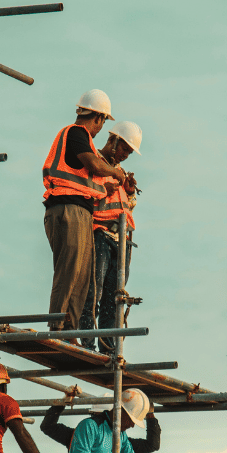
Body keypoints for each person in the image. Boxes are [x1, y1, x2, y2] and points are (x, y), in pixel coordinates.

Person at [43, 90, 128, 342]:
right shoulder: (76, 133)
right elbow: (94, 165)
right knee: (69, 271)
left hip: (79, 211)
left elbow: (85, 180)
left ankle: (70, 331)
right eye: (103, 122)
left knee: (81, 276)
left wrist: (105, 188)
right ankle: (57, 328)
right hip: (66, 210)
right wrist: (116, 172)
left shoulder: (82, 140)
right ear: (99, 118)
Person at [80, 121, 142, 353]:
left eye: (129, 151)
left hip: (121, 240)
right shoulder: (93, 162)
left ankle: (107, 348)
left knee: (113, 299)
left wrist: (131, 192)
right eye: (124, 148)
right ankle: (86, 343)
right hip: (100, 235)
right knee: (92, 291)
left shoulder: (119, 172)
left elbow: (127, 207)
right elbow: (85, 193)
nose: (126, 155)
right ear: (113, 140)